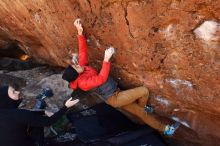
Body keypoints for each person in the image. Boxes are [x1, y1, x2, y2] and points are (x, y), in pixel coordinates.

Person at [62, 18, 179, 136]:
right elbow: (101, 79)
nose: (78, 64)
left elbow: (83, 52)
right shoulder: (83, 83)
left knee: (142, 113)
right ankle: (145, 109)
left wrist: (80, 32)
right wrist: (106, 59)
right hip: (114, 98)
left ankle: (165, 129)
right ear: (76, 74)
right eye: (76, 67)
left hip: (116, 92)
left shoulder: (81, 69)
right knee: (143, 91)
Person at [0, 85, 79, 146]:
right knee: (38, 124)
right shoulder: (19, 114)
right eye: (13, 92)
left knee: (35, 119)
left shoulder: (6, 111)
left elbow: (23, 117)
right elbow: (48, 121)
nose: (18, 92)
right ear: (5, 98)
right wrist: (65, 107)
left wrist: (42, 112)